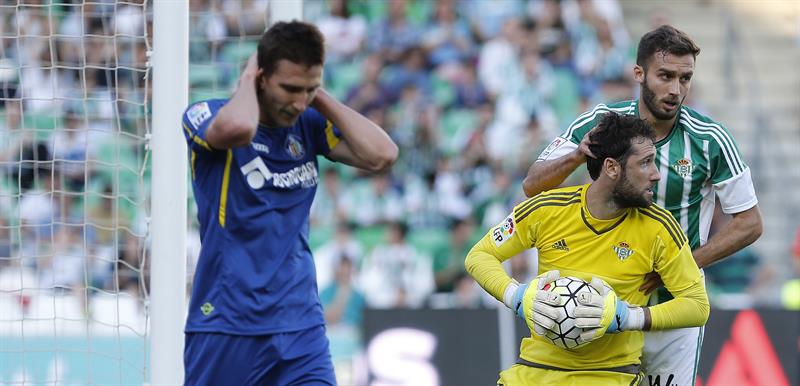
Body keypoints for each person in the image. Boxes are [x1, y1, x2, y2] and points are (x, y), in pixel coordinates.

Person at [521, 25, 762, 385]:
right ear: (639, 74)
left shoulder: (711, 139)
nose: (675, 89)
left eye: (685, 78)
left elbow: (750, 222)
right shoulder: (603, 122)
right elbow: (533, 184)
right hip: (604, 300)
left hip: (673, 306)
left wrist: (682, 265)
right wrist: (575, 156)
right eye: (665, 76)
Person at [180, 21, 398, 385]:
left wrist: (318, 97)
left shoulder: (308, 123)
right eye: (290, 88)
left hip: (300, 324)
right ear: (262, 76)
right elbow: (238, 131)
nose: (299, 102)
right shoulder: (206, 113)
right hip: (227, 322)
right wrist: (249, 78)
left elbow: (383, 155)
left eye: (309, 89)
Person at [466, 112, 709, 385]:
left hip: (610, 376)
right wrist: (518, 297)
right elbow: (479, 255)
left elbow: (697, 305)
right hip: (534, 372)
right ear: (612, 168)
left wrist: (628, 317)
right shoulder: (547, 209)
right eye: (645, 163)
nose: (655, 175)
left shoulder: (660, 227)